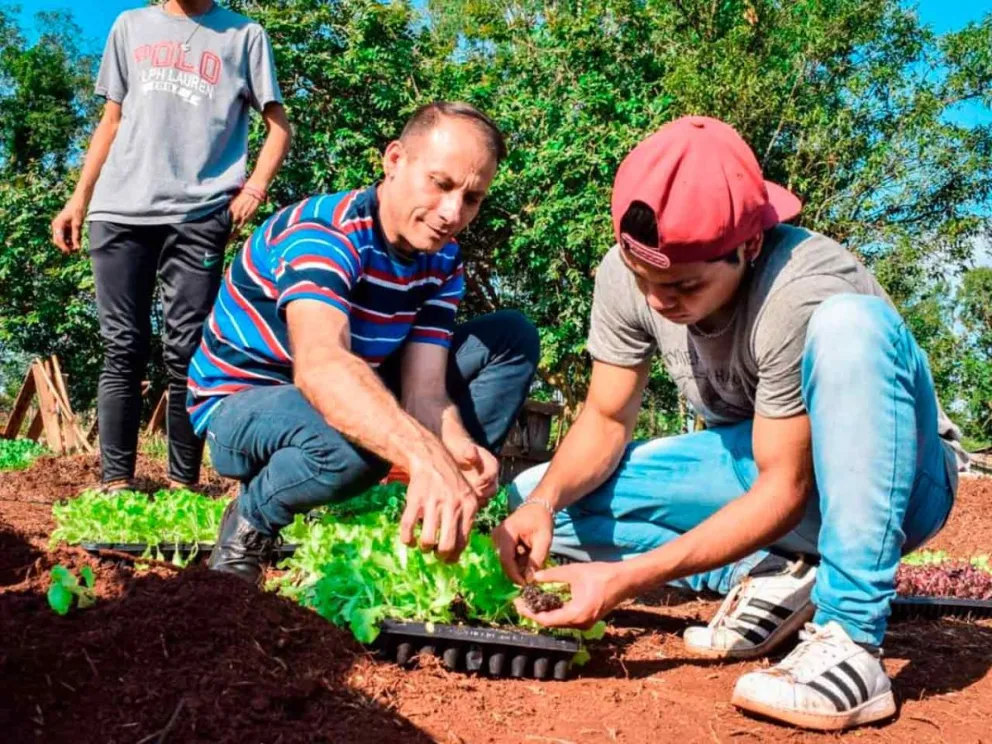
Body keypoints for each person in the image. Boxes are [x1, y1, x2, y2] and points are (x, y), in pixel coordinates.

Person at [494, 116, 967, 731]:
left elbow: (785, 488)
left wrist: (627, 578)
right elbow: (607, 417)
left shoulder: (801, 286)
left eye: (685, 284)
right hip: (759, 470)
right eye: (646, 282)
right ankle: (772, 573)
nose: (661, 301)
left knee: (852, 325)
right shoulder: (629, 274)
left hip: (896, 483)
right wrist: (548, 500)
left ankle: (850, 638)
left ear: (747, 247)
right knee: (535, 504)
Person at [187, 101, 540, 582]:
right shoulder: (325, 233)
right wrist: (421, 452)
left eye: (472, 198)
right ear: (394, 160)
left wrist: (456, 449)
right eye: (440, 184)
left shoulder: (442, 261)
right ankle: (251, 520)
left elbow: (424, 392)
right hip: (241, 410)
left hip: (342, 391)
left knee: (510, 337)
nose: (452, 212)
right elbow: (322, 368)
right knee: (362, 435)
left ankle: (429, 507)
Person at [51, 0, 292, 492]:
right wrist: (79, 199)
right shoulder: (130, 26)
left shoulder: (244, 36)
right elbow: (111, 121)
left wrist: (253, 190)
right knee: (122, 345)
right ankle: (117, 482)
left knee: (187, 348)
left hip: (198, 215)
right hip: (119, 212)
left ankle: (183, 484)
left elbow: (279, 128)